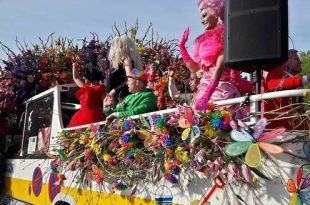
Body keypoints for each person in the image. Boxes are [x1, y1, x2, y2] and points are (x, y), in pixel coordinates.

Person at [179, 0, 245, 119]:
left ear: (215, 13)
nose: (202, 20)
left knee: (223, 126)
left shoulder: (225, 35)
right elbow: (194, 67)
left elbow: (219, 67)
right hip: (204, 88)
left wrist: (207, 94)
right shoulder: (202, 40)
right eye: (201, 17)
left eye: (204, 15)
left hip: (221, 89)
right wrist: (182, 47)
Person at [264, 49, 310, 130]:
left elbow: (299, 110)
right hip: (280, 133)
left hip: (296, 131)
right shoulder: (275, 73)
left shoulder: (292, 79)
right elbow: (272, 84)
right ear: (286, 61)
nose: (300, 62)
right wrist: (304, 79)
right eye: (296, 59)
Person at [107, 35, 143, 105]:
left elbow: (129, 79)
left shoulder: (126, 60)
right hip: (128, 94)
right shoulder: (134, 61)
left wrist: (114, 91)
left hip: (122, 96)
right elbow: (139, 77)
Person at [67, 63, 106, 127]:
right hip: (96, 116)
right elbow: (76, 78)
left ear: (90, 77)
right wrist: (74, 65)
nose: (83, 77)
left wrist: (74, 65)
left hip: (88, 117)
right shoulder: (89, 87)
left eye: (85, 76)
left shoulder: (98, 88)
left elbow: (76, 78)